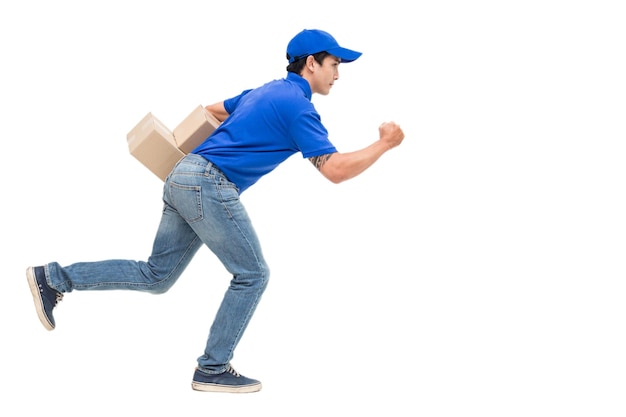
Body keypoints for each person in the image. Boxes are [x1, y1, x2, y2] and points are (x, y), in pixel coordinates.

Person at [26, 28, 405, 393]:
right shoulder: (299, 109)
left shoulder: (263, 92)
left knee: (157, 276)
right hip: (208, 183)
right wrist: (383, 144)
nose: (338, 74)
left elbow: (210, 110)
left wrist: (219, 152)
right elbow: (335, 170)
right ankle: (212, 368)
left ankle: (54, 278)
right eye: (334, 64)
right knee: (253, 275)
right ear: (310, 64)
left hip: (182, 174)